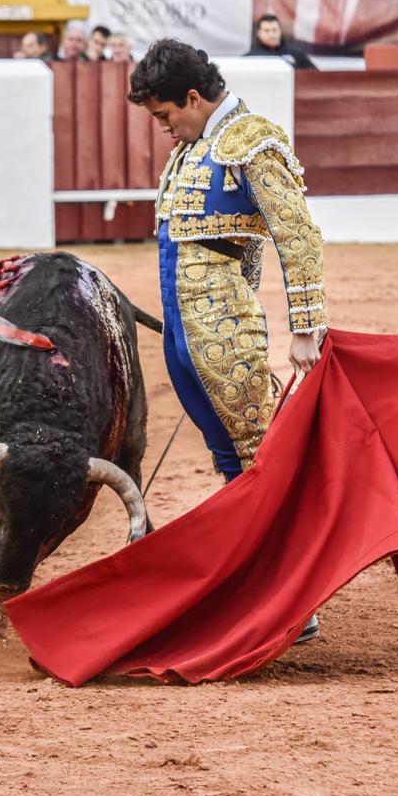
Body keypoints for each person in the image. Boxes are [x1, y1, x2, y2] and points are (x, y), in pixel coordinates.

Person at [129, 39, 327, 640]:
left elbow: (297, 236)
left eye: (166, 115)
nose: (164, 129)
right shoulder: (192, 149)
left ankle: (294, 599)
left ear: (193, 97)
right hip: (184, 328)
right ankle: (258, 579)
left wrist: (304, 327)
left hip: (224, 330)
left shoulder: (253, 139)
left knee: (255, 457)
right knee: (228, 458)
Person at [248, 14, 315, 69]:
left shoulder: (296, 54)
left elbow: (315, 75)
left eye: (274, 30)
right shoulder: (251, 57)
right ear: (258, 33)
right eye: (267, 31)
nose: (271, 34)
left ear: (280, 31)